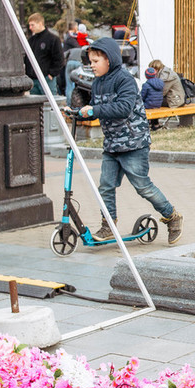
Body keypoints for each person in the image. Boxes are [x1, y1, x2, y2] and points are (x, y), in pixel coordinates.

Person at [76, 37, 184, 243]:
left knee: (142, 186)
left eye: (96, 61)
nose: (92, 65)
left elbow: (123, 108)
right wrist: (81, 112)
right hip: (112, 144)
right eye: (90, 61)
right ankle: (108, 225)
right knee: (105, 186)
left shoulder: (124, 80)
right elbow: (96, 106)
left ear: (109, 60)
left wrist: (95, 110)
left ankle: (172, 217)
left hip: (133, 143)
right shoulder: (98, 83)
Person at [25, 13, 64, 97]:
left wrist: (52, 74)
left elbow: (59, 59)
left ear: (40, 24)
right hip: (33, 79)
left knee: (49, 103)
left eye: (32, 25)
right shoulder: (31, 40)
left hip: (46, 78)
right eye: (30, 25)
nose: (30, 28)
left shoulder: (53, 39)